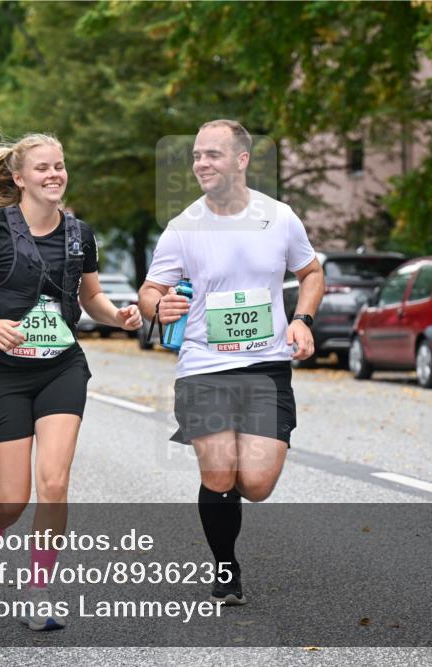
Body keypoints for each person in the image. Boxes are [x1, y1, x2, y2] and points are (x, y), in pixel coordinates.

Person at [0, 132, 141, 631]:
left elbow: (91, 300)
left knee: (54, 482)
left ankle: (38, 592)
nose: (54, 175)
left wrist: (120, 316)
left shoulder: (79, 234)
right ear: (18, 178)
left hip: (60, 367)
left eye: (60, 166)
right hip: (2, 372)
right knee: (12, 498)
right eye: (42, 168)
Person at [138, 120, 324, 606]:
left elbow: (310, 272)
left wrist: (302, 319)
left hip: (266, 366)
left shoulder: (279, 217)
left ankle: (229, 504)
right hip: (204, 365)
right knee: (219, 475)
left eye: (213, 155)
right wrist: (157, 305)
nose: (201, 163)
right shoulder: (184, 227)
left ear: (241, 160)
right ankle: (226, 567)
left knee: (256, 485)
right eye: (197, 155)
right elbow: (150, 290)